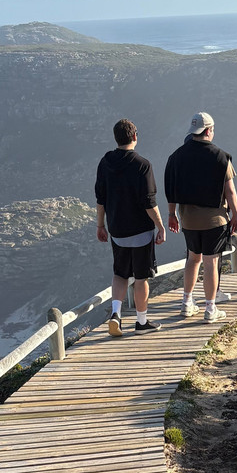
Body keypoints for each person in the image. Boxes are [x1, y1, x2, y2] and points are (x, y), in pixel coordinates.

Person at [165, 111, 237, 323]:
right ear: (208, 131)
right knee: (210, 262)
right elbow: (230, 191)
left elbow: (171, 190)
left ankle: (186, 303)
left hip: (187, 218)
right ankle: (210, 308)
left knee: (192, 259)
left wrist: (172, 214)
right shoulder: (220, 156)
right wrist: (235, 213)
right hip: (214, 219)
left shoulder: (176, 157)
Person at [95, 118, 166, 336]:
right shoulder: (142, 164)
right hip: (141, 231)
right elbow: (149, 202)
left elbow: (101, 199)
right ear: (135, 136)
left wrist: (100, 225)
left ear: (116, 138)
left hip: (116, 229)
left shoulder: (105, 162)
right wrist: (160, 226)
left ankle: (116, 314)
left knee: (120, 273)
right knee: (141, 277)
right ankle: (141, 322)